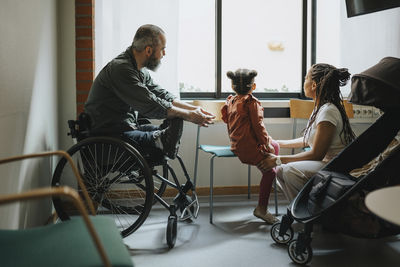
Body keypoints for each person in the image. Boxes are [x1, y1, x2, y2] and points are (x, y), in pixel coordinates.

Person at [84, 24, 215, 159]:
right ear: (148, 50)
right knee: (167, 126)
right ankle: (161, 140)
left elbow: (160, 94)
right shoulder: (122, 69)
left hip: (125, 126)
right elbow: (149, 103)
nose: (164, 54)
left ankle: (162, 139)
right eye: (162, 49)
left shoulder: (138, 68)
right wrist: (188, 115)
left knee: (170, 122)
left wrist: (194, 109)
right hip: (108, 134)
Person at [257, 63, 356, 202]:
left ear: (314, 85)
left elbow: (316, 154)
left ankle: (307, 212)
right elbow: (308, 139)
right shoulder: (320, 108)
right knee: (280, 171)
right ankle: (299, 211)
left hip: (335, 165)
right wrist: (277, 142)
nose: (304, 83)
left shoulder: (328, 111)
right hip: (325, 162)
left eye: (306, 78)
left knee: (287, 171)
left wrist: (278, 160)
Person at [221, 68, 280, 224]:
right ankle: (262, 208)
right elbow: (258, 126)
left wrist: (269, 143)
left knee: (275, 145)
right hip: (248, 147)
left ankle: (272, 169)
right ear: (253, 87)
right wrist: (266, 144)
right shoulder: (251, 102)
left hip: (237, 144)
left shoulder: (231, 101)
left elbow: (231, 123)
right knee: (270, 173)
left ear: (233, 87)